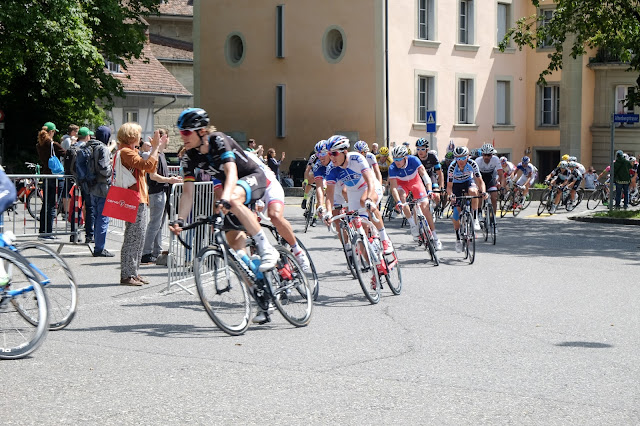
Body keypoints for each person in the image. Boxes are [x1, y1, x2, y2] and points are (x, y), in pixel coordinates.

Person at [169, 107, 278, 271]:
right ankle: (258, 286)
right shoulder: (189, 157)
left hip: (251, 177)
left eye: (186, 132)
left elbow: (231, 172)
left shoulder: (218, 140)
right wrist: (180, 220)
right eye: (181, 132)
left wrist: (225, 199)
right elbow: (187, 193)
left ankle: (266, 248)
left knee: (232, 199)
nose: (182, 136)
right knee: (235, 249)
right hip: (232, 189)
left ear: (201, 131)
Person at [321, 135, 394, 255]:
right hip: (353, 192)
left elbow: (370, 181)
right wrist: (328, 212)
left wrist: (370, 199)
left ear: (344, 152)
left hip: (369, 187)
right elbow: (329, 195)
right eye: (329, 154)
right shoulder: (331, 169)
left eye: (334, 154)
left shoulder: (357, 158)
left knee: (365, 202)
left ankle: (384, 238)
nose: (331, 157)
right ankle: (374, 266)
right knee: (358, 229)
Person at [117, 122, 160, 286]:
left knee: (138, 237)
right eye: (138, 134)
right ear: (131, 136)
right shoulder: (126, 152)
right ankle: (127, 275)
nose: (140, 137)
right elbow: (148, 165)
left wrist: (155, 149)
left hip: (137, 198)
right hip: (132, 198)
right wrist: (155, 148)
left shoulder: (131, 151)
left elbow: (149, 167)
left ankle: (133, 273)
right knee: (133, 237)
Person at [388, 145, 442, 249]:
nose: (397, 162)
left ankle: (435, 237)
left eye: (399, 159)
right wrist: (398, 201)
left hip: (415, 182)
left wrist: (429, 190)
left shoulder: (414, 160)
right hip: (402, 184)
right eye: (395, 159)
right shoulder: (392, 167)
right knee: (401, 196)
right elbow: (393, 188)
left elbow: (425, 176)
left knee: (425, 209)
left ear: (405, 158)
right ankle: (413, 225)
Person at [141, 128, 182, 264]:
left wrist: (171, 178)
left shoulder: (161, 155)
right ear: (165, 138)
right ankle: (146, 253)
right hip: (157, 193)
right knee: (155, 224)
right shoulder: (156, 155)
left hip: (161, 192)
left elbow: (159, 175)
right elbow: (153, 176)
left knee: (158, 225)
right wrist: (170, 180)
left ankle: (155, 252)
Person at [446, 146, 487, 253]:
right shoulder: (452, 166)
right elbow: (449, 186)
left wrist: (483, 192)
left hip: (468, 182)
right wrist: (450, 195)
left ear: (467, 156)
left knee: (474, 192)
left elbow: (480, 181)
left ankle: (475, 218)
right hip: (456, 186)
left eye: (463, 158)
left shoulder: (472, 163)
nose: (460, 161)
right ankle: (458, 239)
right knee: (455, 214)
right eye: (458, 158)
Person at [35, 122, 65, 240]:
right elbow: (65, 153)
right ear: (51, 132)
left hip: (45, 176)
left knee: (45, 204)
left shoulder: (39, 145)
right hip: (54, 176)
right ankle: (49, 232)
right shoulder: (53, 144)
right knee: (52, 205)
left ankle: (42, 231)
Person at [90, 125, 115, 257]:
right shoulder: (103, 149)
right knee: (103, 218)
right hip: (103, 187)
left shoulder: (90, 146)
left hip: (92, 186)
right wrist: (112, 168)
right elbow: (105, 170)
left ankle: (97, 244)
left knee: (96, 216)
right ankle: (99, 248)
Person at [71, 127, 96, 243]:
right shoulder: (86, 148)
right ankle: (89, 235)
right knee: (90, 208)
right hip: (87, 182)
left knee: (76, 207)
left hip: (76, 180)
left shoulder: (73, 147)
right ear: (87, 136)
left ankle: (73, 234)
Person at [476, 143, 503, 220]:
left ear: (492, 155)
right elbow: (475, 176)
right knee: (480, 194)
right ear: (482, 154)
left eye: (489, 155)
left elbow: (501, 174)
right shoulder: (478, 161)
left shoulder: (496, 159)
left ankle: (493, 217)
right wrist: (477, 186)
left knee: (494, 196)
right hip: (480, 177)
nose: (486, 157)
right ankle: (479, 212)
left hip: (490, 177)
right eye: (484, 155)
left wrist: (501, 186)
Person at [415, 138, 444, 205]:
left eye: (422, 149)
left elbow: (440, 173)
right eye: (418, 149)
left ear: (427, 149)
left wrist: (441, 186)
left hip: (431, 176)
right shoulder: (415, 158)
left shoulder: (432, 156)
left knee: (437, 196)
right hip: (419, 178)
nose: (420, 151)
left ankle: (435, 210)